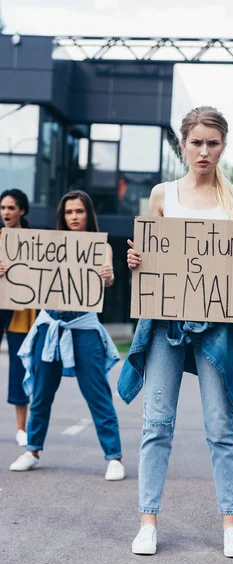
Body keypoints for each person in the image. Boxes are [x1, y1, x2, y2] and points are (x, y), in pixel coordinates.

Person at [118, 106, 233, 557]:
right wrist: (136, 265)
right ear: (183, 144)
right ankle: (148, 521)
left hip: (216, 328)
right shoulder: (163, 195)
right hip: (165, 323)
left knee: (221, 427)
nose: (204, 151)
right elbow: (153, 264)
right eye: (196, 142)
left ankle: (231, 524)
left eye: (213, 143)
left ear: (224, 145)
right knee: (156, 423)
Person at [9, 190, 125, 482]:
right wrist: (5, 270)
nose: (74, 217)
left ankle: (114, 457)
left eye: (80, 211)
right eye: (69, 212)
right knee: (41, 393)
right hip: (49, 327)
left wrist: (108, 276)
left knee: (98, 395)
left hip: (84, 328)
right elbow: (25, 275)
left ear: (89, 214)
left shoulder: (102, 248)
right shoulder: (49, 244)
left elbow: (108, 278)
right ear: (63, 216)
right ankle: (33, 450)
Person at [0, 189, 36, 447]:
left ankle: (21, 428)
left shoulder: (35, 241)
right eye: (2, 208)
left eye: (11, 208)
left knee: (19, 367)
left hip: (20, 312)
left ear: (21, 210)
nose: (5, 213)